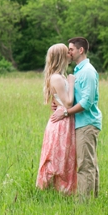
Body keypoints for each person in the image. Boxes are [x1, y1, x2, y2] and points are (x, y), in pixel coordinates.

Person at [50, 36, 101, 199]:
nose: (68, 52)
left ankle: (84, 204)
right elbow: (74, 98)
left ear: (81, 50)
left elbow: (86, 102)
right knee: (88, 163)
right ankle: (92, 198)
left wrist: (65, 112)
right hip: (79, 122)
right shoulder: (78, 71)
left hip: (87, 122)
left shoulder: (88, 72)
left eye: (71, 49)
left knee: (85, 166)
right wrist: (59, 105)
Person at [36, 43, 77, 194]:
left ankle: (62, 191)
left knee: (64, 156)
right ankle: (55, 190)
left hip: (64, 119)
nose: (70, 54)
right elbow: (67, 102)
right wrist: (71, 83)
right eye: (67, 52)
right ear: (61, 56)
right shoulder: (58, 78)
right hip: (61, 122)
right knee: (57, 157)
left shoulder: (60, 76)